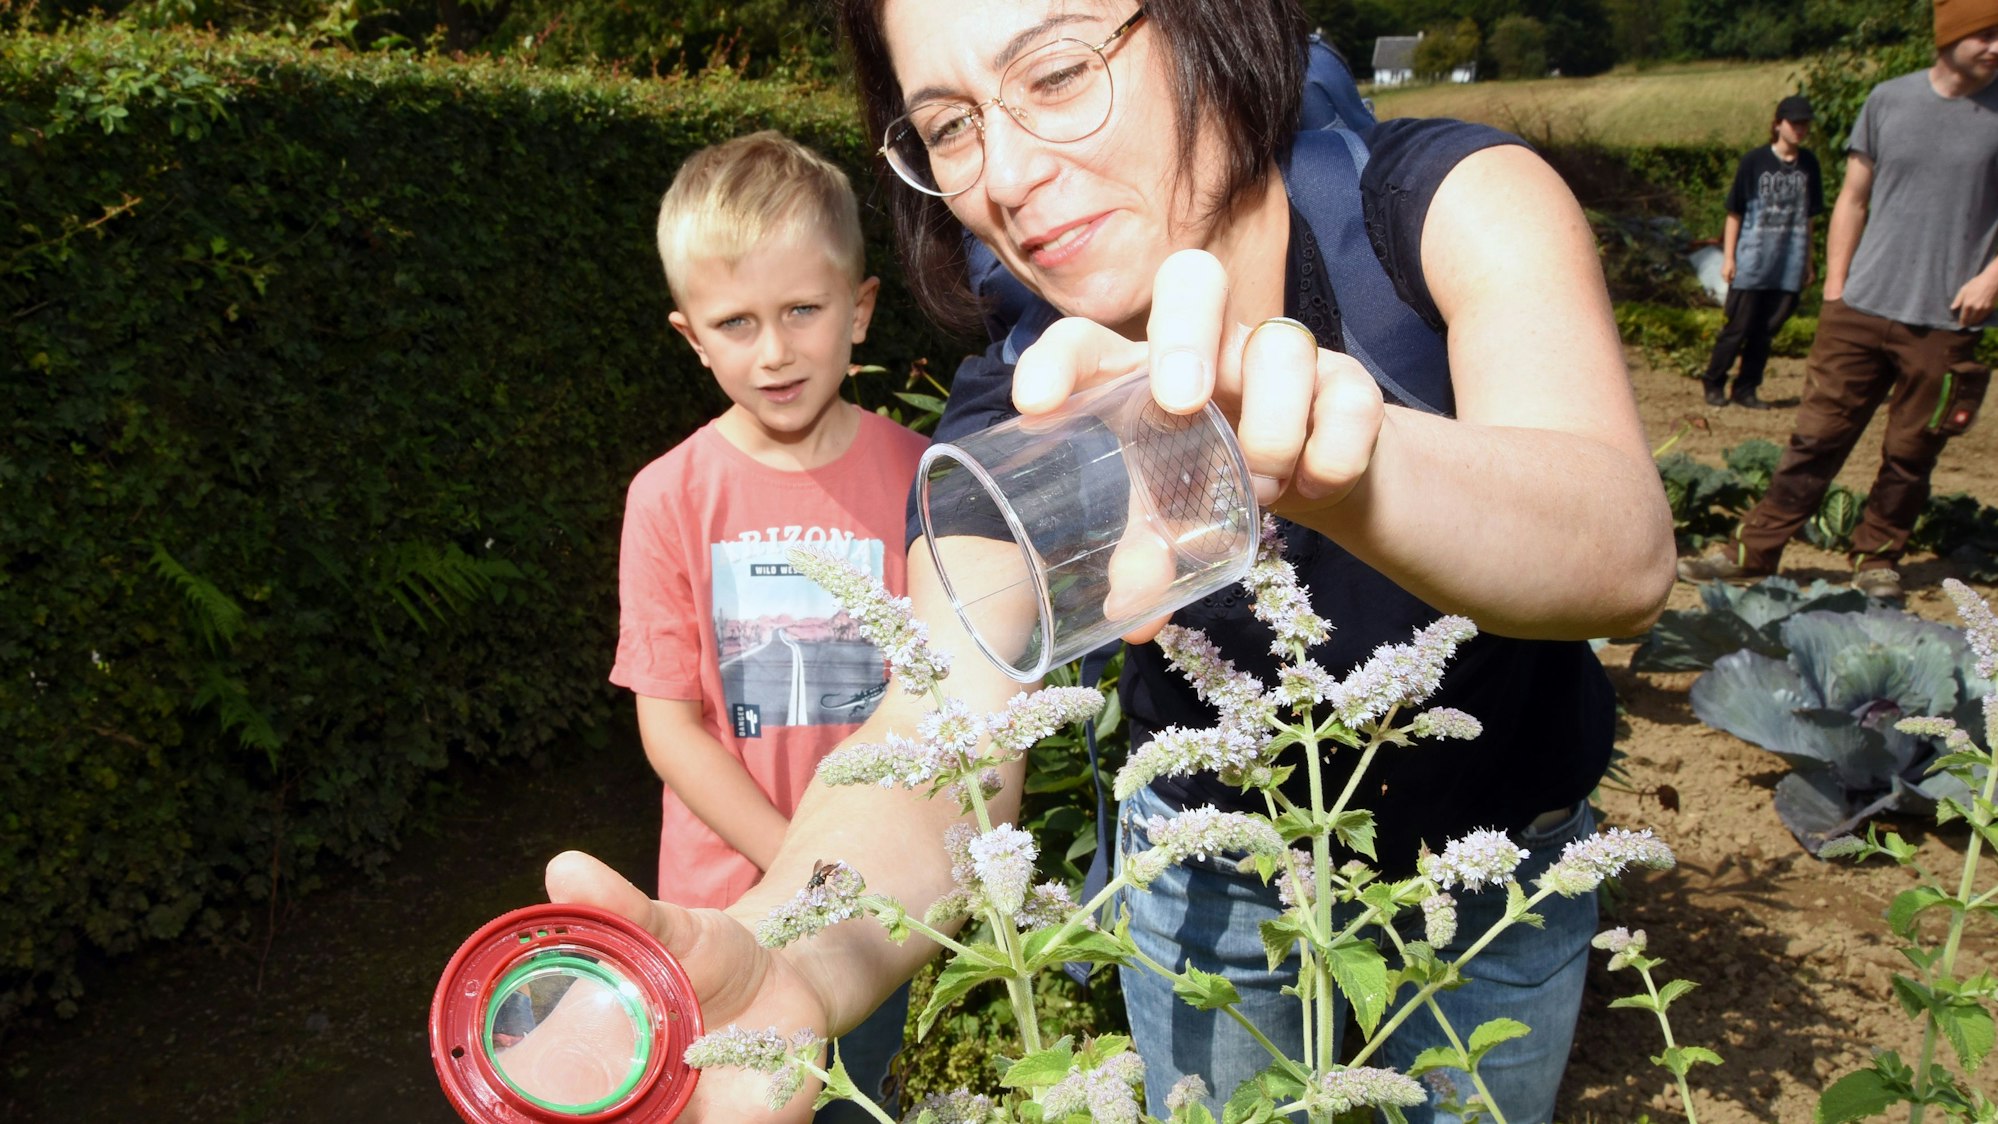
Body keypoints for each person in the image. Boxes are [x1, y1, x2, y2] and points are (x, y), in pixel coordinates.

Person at [549, 3, 1676, 1122]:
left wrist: (1337, 462)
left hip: (1499, 889)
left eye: (1055, 73)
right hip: (1210, 891)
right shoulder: (1017, 409)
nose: (1005, 175)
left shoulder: (1446, 208)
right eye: (948, 127)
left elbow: (1622, 553)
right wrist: (790, 954)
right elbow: (941, 726)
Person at [610, 130, 926, 1118]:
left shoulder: (924, 477)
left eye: (802, 310)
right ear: (692, 337)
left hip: (869, 904)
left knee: (857, 1094)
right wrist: (798, 861)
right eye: (736, 323)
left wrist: (852, 873)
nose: (775, 351)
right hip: (725, 910)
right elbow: (669, 728)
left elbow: (941, 697)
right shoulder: (667, 496)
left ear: (859, 309)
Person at [1679, 1, 1998, 602]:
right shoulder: (1889, 100)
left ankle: (1877, 559)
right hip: (1861, 306)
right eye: (1985, 33)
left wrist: (1991, 280)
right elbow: (1852, 198)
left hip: (1948, 319)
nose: (1996, 47)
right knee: (1815, 438)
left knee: (1910, 452)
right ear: (1949, 35)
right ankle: (1752, 551)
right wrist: (1834, 288)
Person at [1700, 94, 1824, 410]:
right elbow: (1734, 213)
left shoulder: (1809, 164)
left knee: (1765, 332)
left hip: (1789, 263)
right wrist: (1729, 258)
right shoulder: (1754, 162)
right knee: (1737, 328)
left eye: (1804, 124)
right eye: (1794, 123)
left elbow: (1809, 218)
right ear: (1778, 124)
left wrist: (1808, 261)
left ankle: (1746, 389)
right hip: (1752, 261)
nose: (1800, 129)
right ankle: (1714, 382)